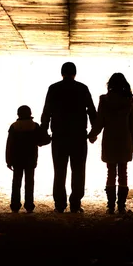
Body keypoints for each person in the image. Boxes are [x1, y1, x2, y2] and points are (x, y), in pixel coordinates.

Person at [40, 62, 97, 213]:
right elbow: (91, 110)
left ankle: (59, 204)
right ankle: (75, 203)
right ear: (75, 73)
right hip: (78, 137)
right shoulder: (82, 88)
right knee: (78, 170)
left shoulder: (53, 88)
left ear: (62, 73)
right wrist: (93, 132)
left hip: (59, 137)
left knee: (59, 171)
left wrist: (43, 131)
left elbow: (47, 112)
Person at [87, 73, 133, 214]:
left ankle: (110, 206)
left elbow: (100, 121)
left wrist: (92, 135)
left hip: (109, 140)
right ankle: (121, 206)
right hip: (124, 140)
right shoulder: (129, 100)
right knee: (123, 172)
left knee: (110, 172)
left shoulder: (104, 100)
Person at [5, 105, 50, 213]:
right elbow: (43, 140)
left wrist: (8, 160)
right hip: (31, 158)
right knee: (29, 182)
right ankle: (29, 206)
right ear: (30, 114)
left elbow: (9, 145)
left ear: (18, 114)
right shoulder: (34, 126)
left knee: (16, 182)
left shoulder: (14, 126)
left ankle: (15, 206)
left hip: (17, 159)